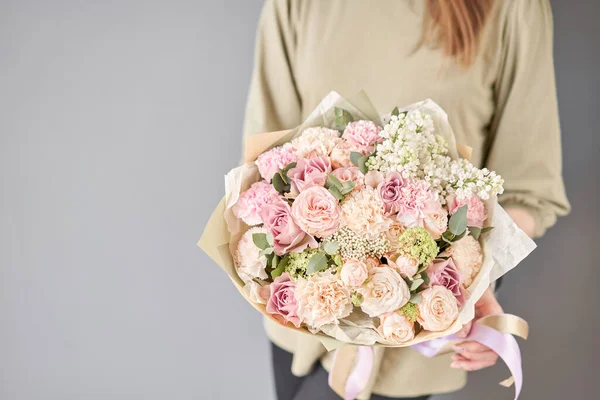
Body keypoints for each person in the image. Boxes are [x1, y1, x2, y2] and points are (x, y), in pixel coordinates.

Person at [242, 1, 570, 399]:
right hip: (299, 320)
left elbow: (530, 192)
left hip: (409, 339)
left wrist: (476, 277)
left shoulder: (512, 9)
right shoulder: (295, 6)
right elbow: (262, 165)